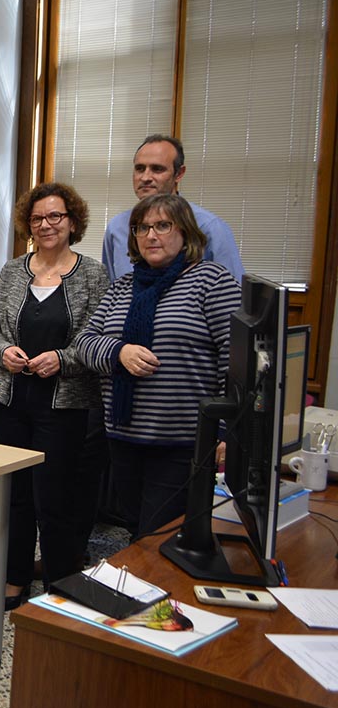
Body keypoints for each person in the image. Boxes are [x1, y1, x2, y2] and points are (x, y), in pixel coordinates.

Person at [77, 194, 241, 535]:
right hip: (123, 436)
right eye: (142, 228)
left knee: (159, 536)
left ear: (185, 232)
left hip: (182, 442)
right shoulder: (123, 287)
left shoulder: (211, 280)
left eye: (163, 226)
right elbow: (85, 343)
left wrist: (227, 429)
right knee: (137, 530)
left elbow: (236, 357)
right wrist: (119, 352)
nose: (151, 235)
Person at [0, 183, 109, 609]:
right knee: (15, 497)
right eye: (38, 218)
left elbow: (99, 338)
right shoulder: (12, 270)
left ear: (72, 221)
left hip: (65, 406)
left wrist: (62, 358)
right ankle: (15, 577)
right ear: (28, 224)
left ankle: (60, 584)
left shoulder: (91, 274)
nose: (46, 224)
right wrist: (4, 352)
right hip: (11, 403)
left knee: (56, 500)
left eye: (56, 216)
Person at [102, 135, 244, 282]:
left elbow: (235, 295)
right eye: (140, 168)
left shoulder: (209, 227)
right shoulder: (117, 228)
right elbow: (112, 291)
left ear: (179, 173)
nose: (145, 177)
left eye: (157, 169)